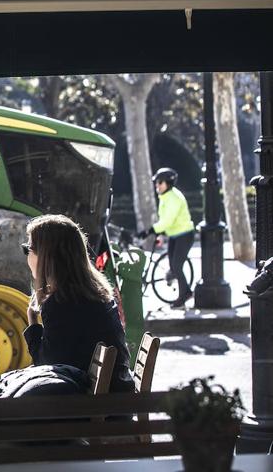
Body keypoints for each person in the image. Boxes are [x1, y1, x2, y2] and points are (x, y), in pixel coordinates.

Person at [22, 214, 135, 393]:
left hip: (95, 407)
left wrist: (32, 320)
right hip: (116, 395)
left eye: (28, 249)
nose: (27, 255)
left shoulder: (60, 303)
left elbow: (46, 366)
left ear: (46, 256)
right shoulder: (95, 291)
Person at [137, 167, 196, 308]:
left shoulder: (174, 198)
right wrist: (159, 231)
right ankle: (173, 277)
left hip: (184, 235)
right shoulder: (165, 196)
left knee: (176, 265)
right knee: (173, 264)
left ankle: (185, 294)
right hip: (175, 235)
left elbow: (168, 220)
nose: (157, 185)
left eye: (160, 182)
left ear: (168, 183)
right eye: (156, 182)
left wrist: (151, 230)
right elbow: (166, 220)